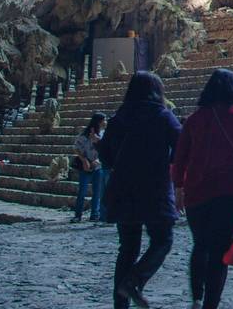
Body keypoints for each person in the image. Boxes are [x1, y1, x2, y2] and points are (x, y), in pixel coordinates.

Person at [172, 69, 233, 309]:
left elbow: (180, 156)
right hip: (228, 193)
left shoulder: (194, 119)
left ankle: (196, 297)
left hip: (196, 193)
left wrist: (179, 188)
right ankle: (210, 305)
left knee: (200, 244)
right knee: (220, 253)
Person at [100, 72, 182, 309]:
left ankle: (121, 304)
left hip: (123, 189)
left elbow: (105, 155)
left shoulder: (119, 118)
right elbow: (182, 146)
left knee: (127, 248)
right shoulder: (163, 116)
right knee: (163, 239)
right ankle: (134, 280)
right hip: (154, 189)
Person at [72, 112, 107, 223]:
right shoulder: (85, 135)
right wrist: (84, 160)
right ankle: (78, 214)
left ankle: (94, 214)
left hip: (98, 166)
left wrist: (97, 160)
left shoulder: (104, 134)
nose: (105, 122)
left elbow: (106, 150)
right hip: (85, 166)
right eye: (104, 120)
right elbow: (77, 148)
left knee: (97, 192)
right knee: (82, 191)